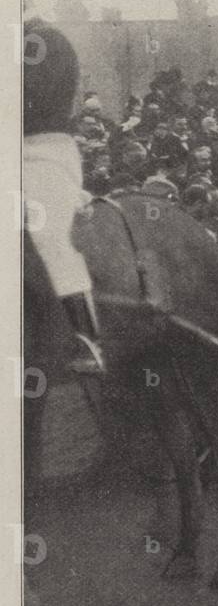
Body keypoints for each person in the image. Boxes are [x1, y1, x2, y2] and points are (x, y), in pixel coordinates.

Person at [23, 19, 104, 374]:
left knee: (48, 235)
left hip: (41, 151)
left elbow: (41, 101)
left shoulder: (46, 41)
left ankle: (86, 335)